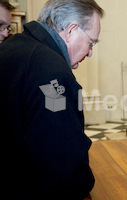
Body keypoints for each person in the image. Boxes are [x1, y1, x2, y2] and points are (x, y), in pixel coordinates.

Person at [0, 0, 104, 199]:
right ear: (72, 30)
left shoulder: (12, 48)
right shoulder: (52, 72)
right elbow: (61, 157)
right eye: (91, 42)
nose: (90, 52)